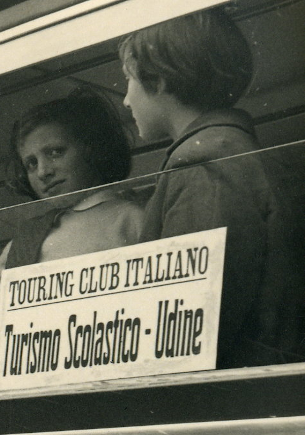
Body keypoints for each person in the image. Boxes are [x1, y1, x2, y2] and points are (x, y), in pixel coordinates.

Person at [120, 8, 305, 367]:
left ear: (157, 79)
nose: (126, 100)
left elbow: (186, 328)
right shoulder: (241, 151)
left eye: (127, 80)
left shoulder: (203, 164)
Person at [0, 89, 142, 358]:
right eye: (31, 164)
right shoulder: (24, 240)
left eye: (56, 152)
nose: (43, 172)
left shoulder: (133, 218)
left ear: (91, 149)